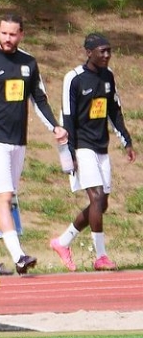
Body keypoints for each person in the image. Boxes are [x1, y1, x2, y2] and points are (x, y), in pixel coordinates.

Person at [0, 14, 63, 274]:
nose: (7, 38)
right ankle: (19, 256)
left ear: (21, 34)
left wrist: (55, 126)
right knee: (5, 197)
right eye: (3, 33)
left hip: (18, 141)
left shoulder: (29, 63)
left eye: (13, 34)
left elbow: (39, 98)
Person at [51, 34, 133, 271]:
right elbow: (67, 116)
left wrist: (127, 141)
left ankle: (62, 242)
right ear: (89, 52)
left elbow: (114, 111)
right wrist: (70, 151)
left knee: (102, 203)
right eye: (102, 51)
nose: (106, 55)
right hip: (81, 146)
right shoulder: (74, 78)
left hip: (101, 146)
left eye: (109, 51)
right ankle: (101, 256)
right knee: (96, 198)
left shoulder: (108, 76)